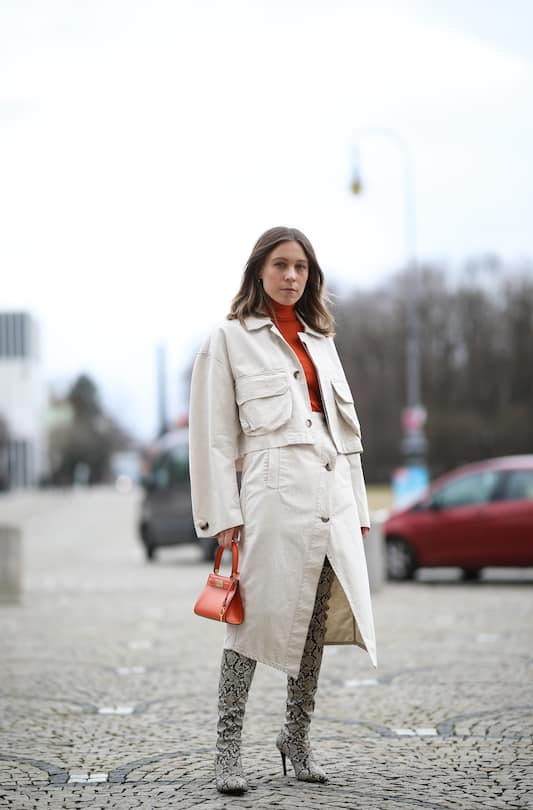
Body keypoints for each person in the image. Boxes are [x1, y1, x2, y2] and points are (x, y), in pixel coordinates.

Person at [189, 226, 377, 795]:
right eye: (281, 266)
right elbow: (213, 438)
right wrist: (223, 514)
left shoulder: (322, 339)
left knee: (314, 628)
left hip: (332, 502)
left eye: (301, 268)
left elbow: (343, 435)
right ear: (258, 272)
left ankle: (295, 741)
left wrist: (359, 508)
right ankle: (227, 753)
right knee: (247, 627)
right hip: (271, 501)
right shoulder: (228, 339)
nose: (291, 276)